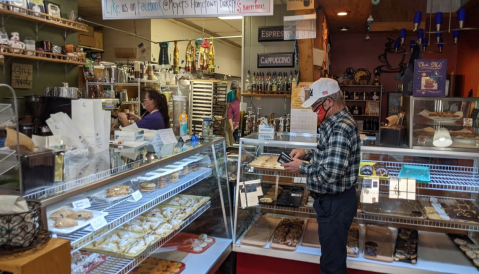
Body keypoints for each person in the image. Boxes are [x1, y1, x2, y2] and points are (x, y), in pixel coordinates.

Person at [282, 78, 360, 274]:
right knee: (330, 257)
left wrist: (302, 167)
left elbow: (330, 173)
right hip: (333, 203)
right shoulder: (334, 122)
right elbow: (328, 155)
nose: (314, 112)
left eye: (317, 107)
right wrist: (306, 154)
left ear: (329, 102)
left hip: (336, 204)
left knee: (332, 265)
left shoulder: (340, 127)